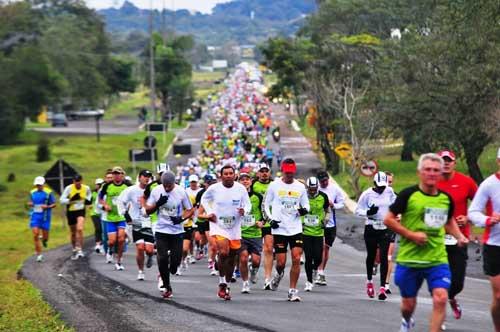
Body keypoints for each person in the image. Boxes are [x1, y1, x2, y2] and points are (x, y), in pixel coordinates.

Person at [384, 153, 468, 332]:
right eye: (428, 170)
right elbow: (388, 220)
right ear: (419, 172)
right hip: (410, 259)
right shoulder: (408, 195)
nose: (431, 173)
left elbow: (449, 220)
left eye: (436, 170)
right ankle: (407, 320)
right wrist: (411, 235)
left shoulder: (445, 198)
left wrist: (459, 236)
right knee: (408, 305)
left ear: (440, 174)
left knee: (441, 298)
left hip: (436, 259)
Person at [436, 150, 477, 322]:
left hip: (460, 238)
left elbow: (479, 205)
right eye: (442, 160)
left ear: (454, 163)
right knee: (439, 281)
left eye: (449, 160)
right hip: (437, 239)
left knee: (457, 282)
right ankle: (440, 317)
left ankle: (452, 297)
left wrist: (468, 218)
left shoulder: (466, 182)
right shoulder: (432, 181)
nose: (446, 163)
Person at [201, 165, 251, 300]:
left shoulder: (240, 188)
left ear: (234, 175)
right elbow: (204, 199)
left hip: (234, 227)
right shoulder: (214, 188)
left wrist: (244, 211)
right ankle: (222, 281)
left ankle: (227, 285)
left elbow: (248, 204)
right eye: (226, 173)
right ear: (221, 175)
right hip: (219, 225)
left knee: (232, 258)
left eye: (231, 173)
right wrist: (210, 212)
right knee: (224, 252)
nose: (228, 175)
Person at [264, 158, 309, 302]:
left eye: (291, 173)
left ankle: (292, 291)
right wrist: (270, 220)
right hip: (280, 228)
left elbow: (306, 206)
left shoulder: (300, 187)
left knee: (296, 258)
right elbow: (266, 204)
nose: (289, 175)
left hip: (295, 228)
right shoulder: (274, 185)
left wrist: (303, 211)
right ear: (282, 171)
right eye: (287, 172)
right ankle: (278, 275)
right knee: (281, 263)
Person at [146, 171, 194, 298]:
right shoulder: (156, 191)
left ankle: (173, 267)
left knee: (175, 262)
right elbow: (147, 210)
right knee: (162, 258)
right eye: (164, 185)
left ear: (174, 183)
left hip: (177, 231)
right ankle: (167, 286)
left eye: (169, 185)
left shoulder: (181, 192)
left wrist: (181, 219)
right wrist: (158, 204)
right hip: (161, 229)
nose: (167, 188)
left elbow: (190, 210)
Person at [468, 147, 500, 332]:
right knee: (498, 296)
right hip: (494, 245)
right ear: (498, 162)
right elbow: (473, 212)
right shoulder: (488, 185)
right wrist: (488, 220)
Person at [356, 172, 397, 300]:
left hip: (385, 227)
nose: (381, 189)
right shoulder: (367, 194)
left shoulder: (389, 191)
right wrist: (368, 212)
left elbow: (396, 204)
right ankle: (369, 282)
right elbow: (357, 211)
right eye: (379, 186)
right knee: (372, 255)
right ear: (374, 184)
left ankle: (382, 288)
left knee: (384, 257)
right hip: (371, 227)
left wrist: (396, 213)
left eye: (383, 186)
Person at [117, 170, 154, 280]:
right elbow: (120, 201)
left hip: (148, 221)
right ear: (139, 178)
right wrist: (125, 214)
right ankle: (141, 271)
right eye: (145, 176)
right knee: (140, 247)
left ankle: (150, 256)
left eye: (149, 177)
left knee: (149, 250)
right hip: (136, 222)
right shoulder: (132, 190)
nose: (147, 178)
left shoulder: (153, 190)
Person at [316, 170, 345, 285]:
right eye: (322, 181)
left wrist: (334, 205)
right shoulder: (315, 189)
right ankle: (318, 269)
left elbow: (342, 203)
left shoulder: (334, 189)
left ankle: (321, 271)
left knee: (326, 247)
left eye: (326, 180)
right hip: (317, 223)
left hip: (330, 223)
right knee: (319, 247)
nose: (324, 183)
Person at [302, 177, 329, 292]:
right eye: (310, 189)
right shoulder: (302, 196)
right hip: (305, 231)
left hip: (318, 232)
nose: (312, 191)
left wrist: (326, 220)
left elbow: (327, 210)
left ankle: (314, 269)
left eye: (314, 189)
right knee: (308, 257)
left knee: (318, 258)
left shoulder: (323, 196)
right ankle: (309, 281)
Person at [238, 172, 264, 293]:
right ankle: (245, 283)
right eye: (242, 179)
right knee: (243, 258)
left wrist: (262, 222)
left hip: (255, 234)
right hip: (241, 233)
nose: (245, 181)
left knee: (256, 261)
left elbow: (265, 212)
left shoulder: (258, 197)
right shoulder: (236, 197)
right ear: (238, 182)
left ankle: (253, 271)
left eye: (247, 179)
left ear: (251, 181)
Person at [99, 166, 129, 269]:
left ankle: (119, 261)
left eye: (118, 173)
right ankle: (110, 250)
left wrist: (129, 208)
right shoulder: (107, 186)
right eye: (114, 173)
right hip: (110, 218)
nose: (116, 175)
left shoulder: (127, 185)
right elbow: (100, 198)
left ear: (122, 175)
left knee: (121, 239)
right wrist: (105, 205)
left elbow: (133, 198)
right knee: (112, 241)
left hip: (122, 217)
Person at [251, 163, 274, 290]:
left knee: (269, 248)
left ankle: (267, 278)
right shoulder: (253, 184)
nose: (264, 173)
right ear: (258, 173)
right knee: (254, 252)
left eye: (266, 171)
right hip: (255, 221)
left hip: (268, 221)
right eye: (262, 171)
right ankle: (254, 268)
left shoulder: (274, 185)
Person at [60, 174, 92, 260]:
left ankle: (80, 249)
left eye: (78, 181)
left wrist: (87, 201)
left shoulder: (86, 188)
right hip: (71, 211)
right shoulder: (69, 188)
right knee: (73, 232)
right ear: (73, 181)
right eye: (75, 181)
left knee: (80, 229)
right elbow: (61, 200)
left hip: (81, 210)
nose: (77, 183)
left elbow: (89, 197)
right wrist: (70, 200)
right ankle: (74, 247)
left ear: (81, 181)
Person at [194, 174, 218, 275]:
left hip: (221, 224)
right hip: (207, 222)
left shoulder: (221, 195)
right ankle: (211, 261)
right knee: (211, 244)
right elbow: (198, 212)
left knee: (217, 246)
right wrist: (207, 216)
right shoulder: (203, 195)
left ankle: (213, 262)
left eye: (214, 183)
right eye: (210, 184)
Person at [28, 176, 56, 262]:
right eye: (37, 185)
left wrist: (47, 206)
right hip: (35, 216)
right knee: (35, 234)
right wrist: (30, 204)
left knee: (45, 237)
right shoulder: (32, 192)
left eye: (40, 185)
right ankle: (39, 255)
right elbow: (30, 201)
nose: (38, 186)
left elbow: (54, 204)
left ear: (43, 184)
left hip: (45, 217)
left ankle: (44, 240)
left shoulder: (48, 192)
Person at [180, 174, 202, 274]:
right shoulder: (173, 198)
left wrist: (191, 217)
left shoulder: (191, 197)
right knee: (177, 248)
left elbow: (193, 209)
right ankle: (179, 264)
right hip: (176, 226)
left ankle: (186, 257)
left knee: (185, 248)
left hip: (188, 224)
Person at [90, 178, 104, 254]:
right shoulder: (93, 193)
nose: (99, 186)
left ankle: (102, 244)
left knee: (102, 229)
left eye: (100, 184)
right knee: (98, 227)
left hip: (103, 213)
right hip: (94, 213)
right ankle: (98, 244)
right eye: (98, 184)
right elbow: (87, 201)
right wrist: (89, 205)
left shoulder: (104, 192)